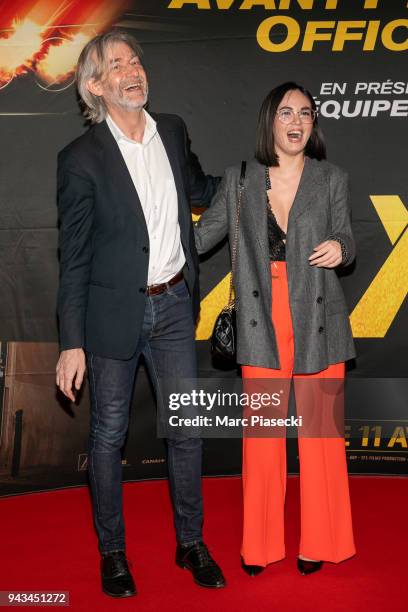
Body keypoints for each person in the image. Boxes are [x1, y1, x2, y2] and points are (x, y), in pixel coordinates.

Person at [55, 29, 225, 598]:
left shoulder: (171, 131)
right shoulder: (80, 160)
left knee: (187, 431)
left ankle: (191, 543)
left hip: (176, 304)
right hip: (112, 315)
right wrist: (71, 342)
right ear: (96, 86)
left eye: (135, 60)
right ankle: (113, 553)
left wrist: (262, 182)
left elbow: (202, 188)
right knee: (108, 435)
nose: (133, 70)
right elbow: (73, 259)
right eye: (116, 65)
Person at [194, 82, 356, 576]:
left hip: (320, 320)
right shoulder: (240, 179)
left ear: (312, 123)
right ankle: (260, 546)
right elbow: (200, 239)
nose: (296, 121)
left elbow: (347, 237)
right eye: (286, 112)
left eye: (305, 113)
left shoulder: (331, 178)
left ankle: (320, 543)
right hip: (261, 323)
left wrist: (340, 249)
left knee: (321, 440)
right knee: (261, 443)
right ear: (270, 121)